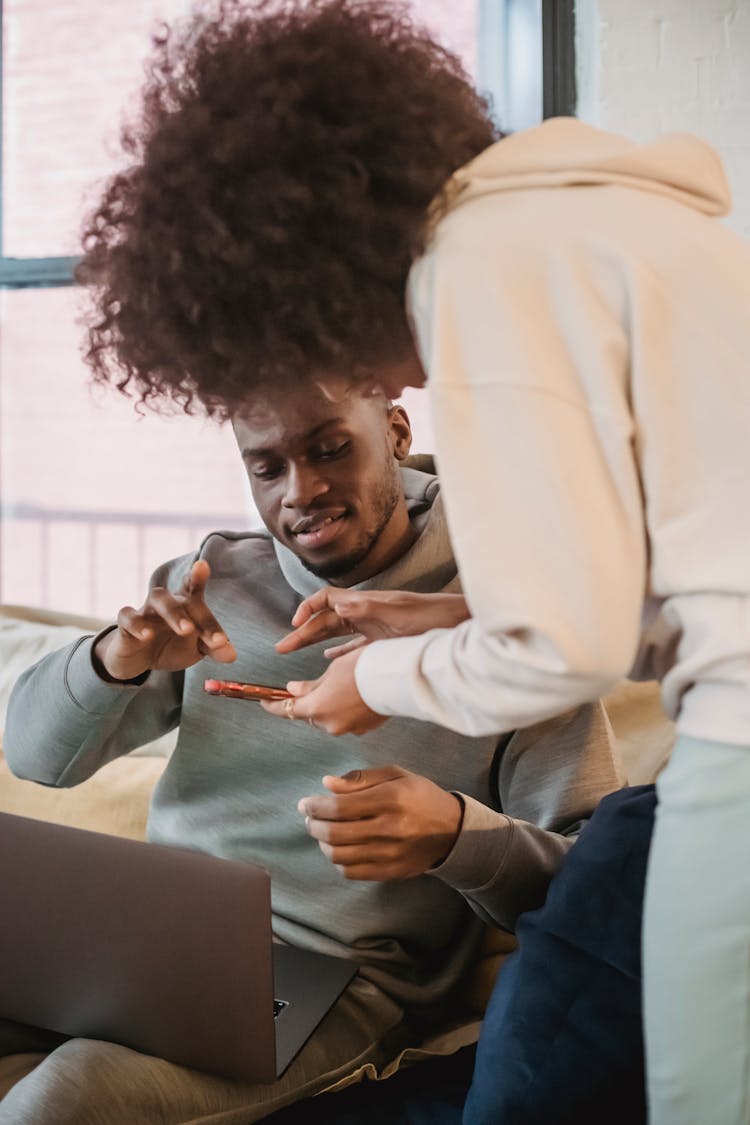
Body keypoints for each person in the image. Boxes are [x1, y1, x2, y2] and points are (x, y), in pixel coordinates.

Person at [69, 3, 750, 1121]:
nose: (400, 385)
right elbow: (671, 585)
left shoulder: (486, 269)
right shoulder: (585, 224)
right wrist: (444, 625)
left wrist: (370, 686)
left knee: (700, 1089)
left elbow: (564, 651)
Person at [1, 379, 622, 1124]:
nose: (301, 491)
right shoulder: (214, 583)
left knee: (63, 1099)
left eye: (330, 450)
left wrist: (455, 835)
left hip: (340, 984)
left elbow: (599, 885)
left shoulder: (518, 622)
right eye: (266, 468)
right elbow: (33, 757)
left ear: (395, 431)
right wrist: (112, 658)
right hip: (149, 941)